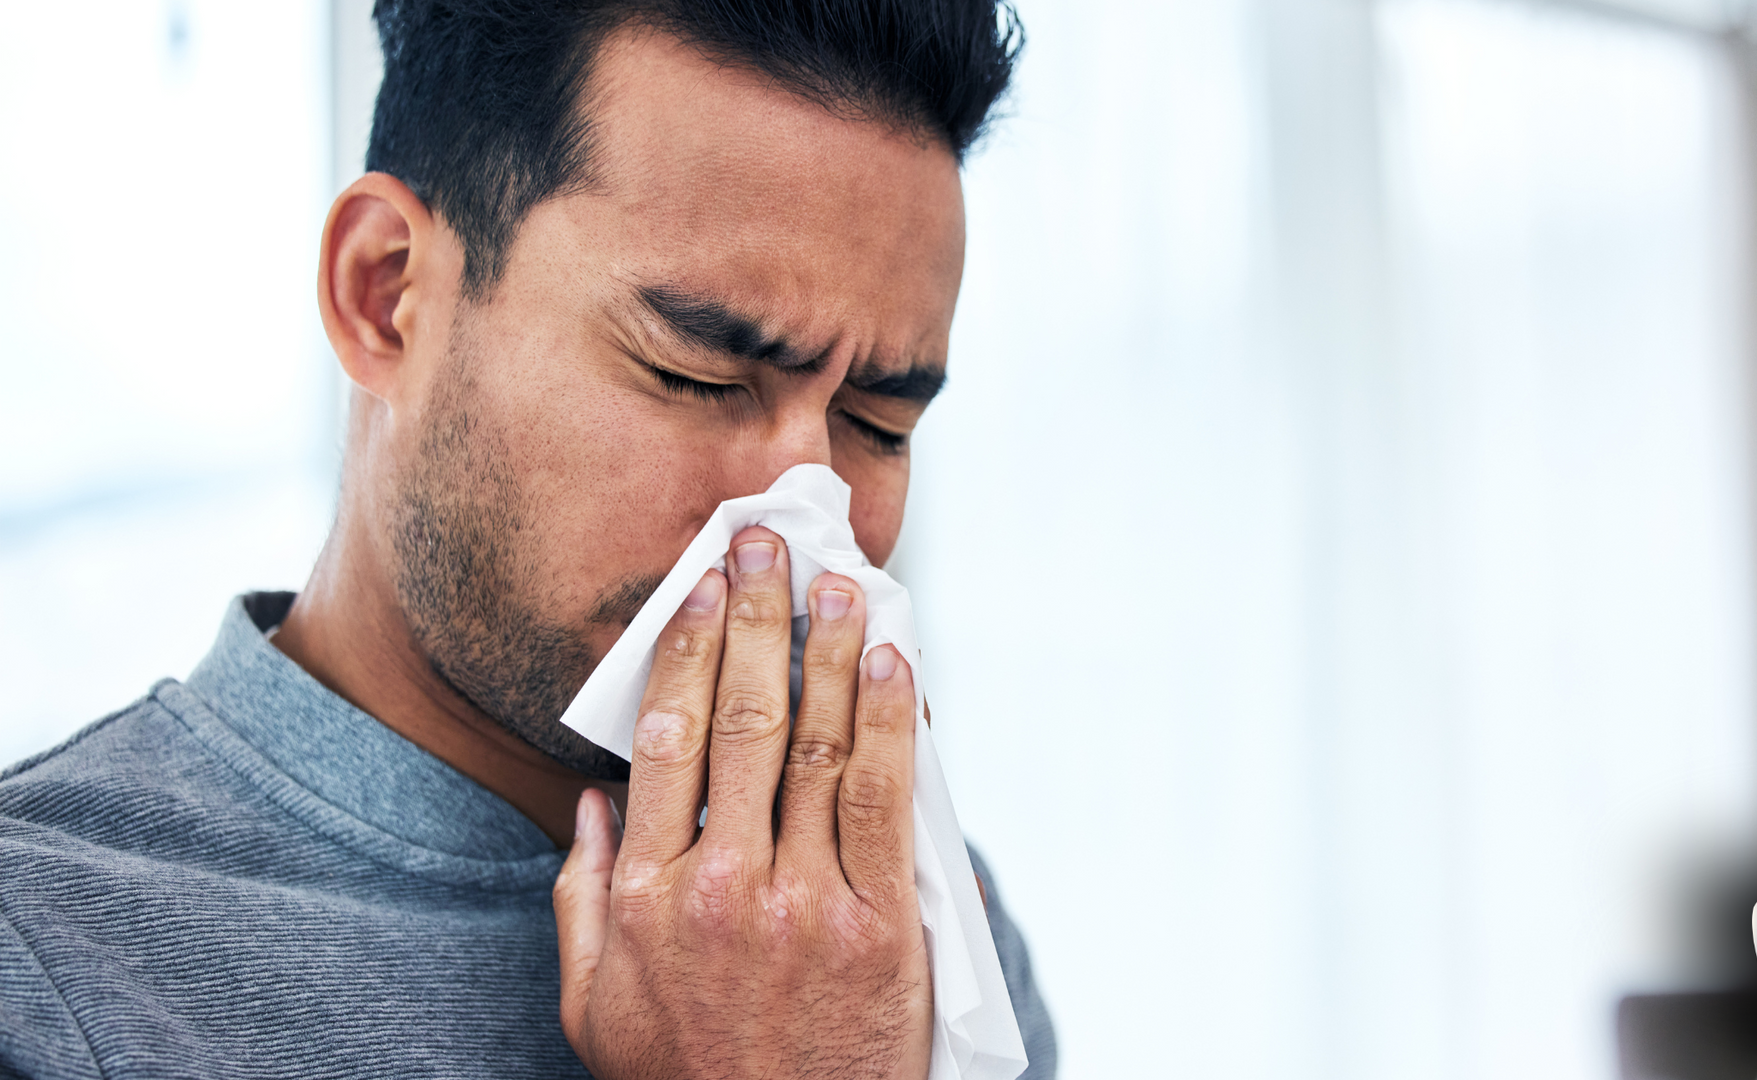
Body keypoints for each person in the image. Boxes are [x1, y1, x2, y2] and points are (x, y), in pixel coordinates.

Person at [0, 1, 1056, 1077]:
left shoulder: (891, 927)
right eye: (692, 376)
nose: (791, 529)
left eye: (877, 425)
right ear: (384, 296)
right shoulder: (42, 967)